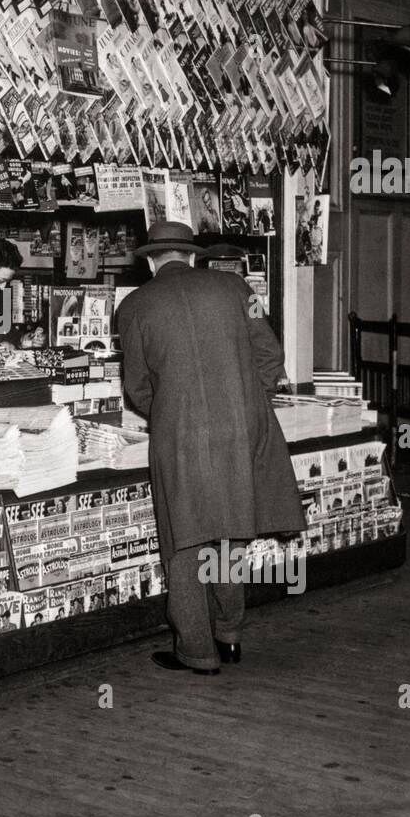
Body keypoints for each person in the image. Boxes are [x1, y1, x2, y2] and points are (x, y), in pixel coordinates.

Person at [117, 221, 305, 676]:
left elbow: (137, 388)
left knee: (185, 542)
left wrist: (175, 412)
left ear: (150, 260)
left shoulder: (135, 305)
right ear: (193, 256)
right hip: (243, 430)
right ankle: (231, 635)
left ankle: (197, 652)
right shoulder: (236, 288)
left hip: (180, 436)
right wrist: (242, 401)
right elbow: (270, 358)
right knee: (229, 533)